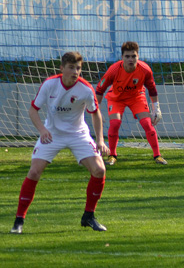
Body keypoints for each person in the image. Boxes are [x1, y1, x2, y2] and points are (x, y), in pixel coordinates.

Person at [10, 52, 110, 234]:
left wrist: (100, 140)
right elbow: (33, 110)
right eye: (71, 68)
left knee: (100, 170)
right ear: (62, 68)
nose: (75, 72)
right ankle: (19, 220)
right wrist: (42, 130)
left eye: (78, 68)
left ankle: (89, 216)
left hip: (77, 134)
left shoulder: (86, 89)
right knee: (34, 172)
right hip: (52, 133)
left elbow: (95, 113)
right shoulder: (50, 84)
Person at [95, 41, 167, 165]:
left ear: (138, 56)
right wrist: (96, 110)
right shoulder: (114, 70)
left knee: (147, 124)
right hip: (116, 98)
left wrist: (156, 108)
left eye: (133, 56)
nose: (130, 59)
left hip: (136, 97)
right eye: (127, 56)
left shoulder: (144, 69)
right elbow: (100, 89)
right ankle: (112, 155)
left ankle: (157, 156)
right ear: (122, 57)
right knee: (115, 123)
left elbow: (152, 89)